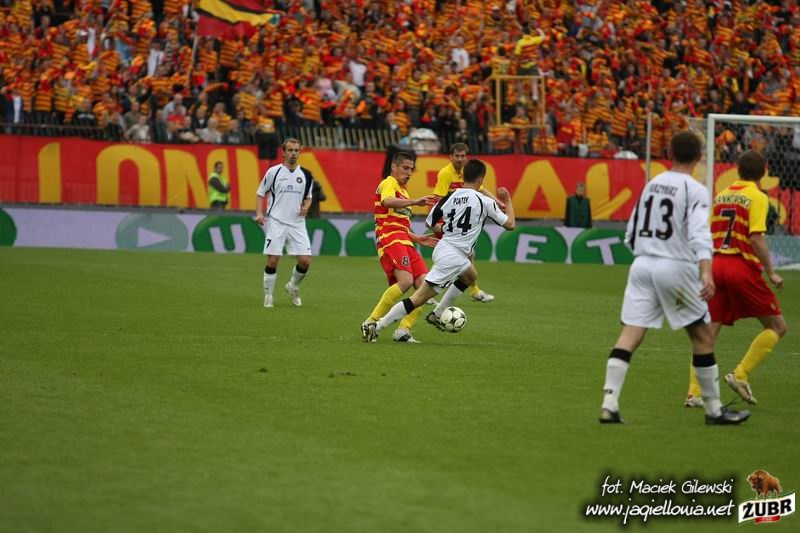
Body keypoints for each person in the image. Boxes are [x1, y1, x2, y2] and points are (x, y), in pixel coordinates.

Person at [598, 131, 750, 426]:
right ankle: (714, 410)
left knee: (630, 334)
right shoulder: (694, 189)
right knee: (703, 336)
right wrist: (705, 270)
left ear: (670, 153)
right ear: (699, 158)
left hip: (642, 265)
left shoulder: (652, 184)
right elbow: (699, 233)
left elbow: (631, 231)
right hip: (674, 267)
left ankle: (609, 404)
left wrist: (646, 254)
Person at [362, 159, 515, 343]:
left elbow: (430, 223)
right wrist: (508, 201)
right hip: (453, 256)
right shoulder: (484, 201)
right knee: (418, 298)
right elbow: (510, 224)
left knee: (470, 276)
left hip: (444, 248)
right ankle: (376, 326)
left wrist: (448, 228)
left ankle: (437, 313)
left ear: (462, 176)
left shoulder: (449, 197)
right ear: (481, 180)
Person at [684, 150, 787, 407]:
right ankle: (740, 374)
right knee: (777, 327)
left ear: (737, 170)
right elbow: (756, 237)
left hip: (717, 266)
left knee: (707, 334)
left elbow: (709, 233)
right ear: (764, 172)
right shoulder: (758, 197)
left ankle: (694, 393)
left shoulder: (722, 195)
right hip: (740, 266)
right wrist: (771, 271)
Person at [360, 152, 439, 343]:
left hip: (405, 241)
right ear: (393, 167)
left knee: (425, 288)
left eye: (411, 169)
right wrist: (415, 202)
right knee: (405, 281)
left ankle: (403, 330)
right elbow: (387, 201)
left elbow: (400, 226)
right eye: (405, 168)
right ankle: (370, 322)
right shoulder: (389, 183)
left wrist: (417, 238)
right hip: (390, 239)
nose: (409, 172)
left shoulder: (404, 191)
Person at [432, 142, 502, 303]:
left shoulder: (467, 173)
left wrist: (497, 202)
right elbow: (439, 198)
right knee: (462, 256)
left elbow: (481, 189)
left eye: (463, 156)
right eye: (457, 156)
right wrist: (439, 223)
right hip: (447, 222)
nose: (460, 159)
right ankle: (472, 290)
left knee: (463, 256)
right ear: (450, 157)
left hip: (456, 222)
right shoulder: (445, 173)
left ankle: (473, 290)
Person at [255, 138, 313, 308]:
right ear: (283, 153)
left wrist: (306, 207)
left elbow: (308, 197)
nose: (293, 153)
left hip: (297, 223)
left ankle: (293, 286)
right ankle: (268, 296)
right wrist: (259, 213)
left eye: (296, 150)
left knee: (305, 261)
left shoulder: (306, 175)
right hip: (277, 221)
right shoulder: (273, 172)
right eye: (290, 150)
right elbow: (260, 193)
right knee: (273, 259)